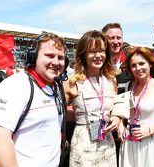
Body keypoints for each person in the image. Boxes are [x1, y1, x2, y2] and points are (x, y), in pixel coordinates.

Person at [0, 32, 66, 167]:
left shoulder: (55, 86)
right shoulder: (15, 85)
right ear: (33, 57)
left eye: (61, 57)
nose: (56, 62)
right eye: (49, 56)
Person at [63, 30, 122, 166]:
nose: (98, 55)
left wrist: (118, 118)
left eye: (101, 50)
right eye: (92, 51)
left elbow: (117, 106)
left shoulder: (112, 80)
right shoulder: (72, 82)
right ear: (83, 54)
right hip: (83, 144)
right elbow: (59, 115)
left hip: (107, 143)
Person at [117, 47, 154, 167]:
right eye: (133, 65)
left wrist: (150, 130)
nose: (138, 68)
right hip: (129, 143)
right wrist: (121, 125)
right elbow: (122, 111)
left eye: (141, 63)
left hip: (150, 143)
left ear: (150, 64)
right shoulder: (129, 86)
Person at [102, 23, 132, 166]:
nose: (115, 41)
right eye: (111, 38)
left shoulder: (133, 63)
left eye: (118, 37)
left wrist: (121, 117)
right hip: (103, 130)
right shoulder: (96, 64)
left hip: (127, 130)